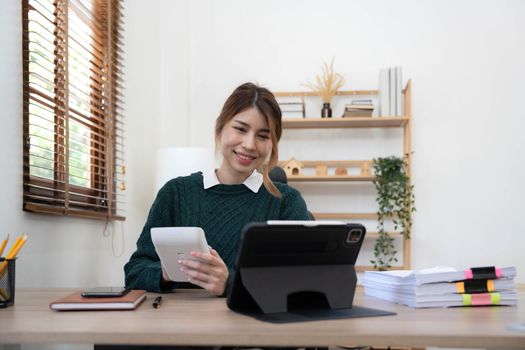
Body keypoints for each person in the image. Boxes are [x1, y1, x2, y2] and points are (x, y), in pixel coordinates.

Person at [124, 82, 311, 297]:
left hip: (255, 324)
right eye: (240, 129)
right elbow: (134, 272)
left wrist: (230, 283)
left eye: (263, 135)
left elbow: (305, 277)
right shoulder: (175, 193)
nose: (250, 144)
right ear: (220, 128)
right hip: (182, 323)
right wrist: (166, 272)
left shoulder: (286, 201)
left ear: (272, 143)